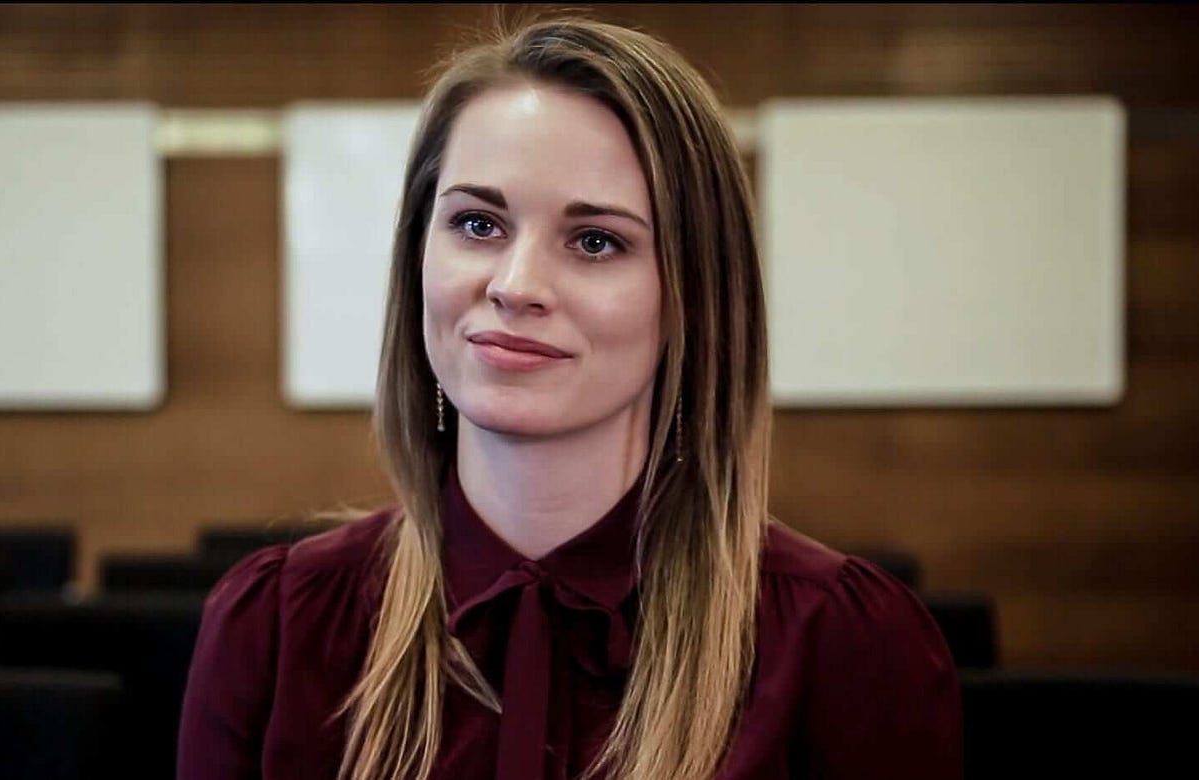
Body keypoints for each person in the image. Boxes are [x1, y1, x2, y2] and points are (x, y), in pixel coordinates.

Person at [178, 16, 962, 780]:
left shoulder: (839, 642)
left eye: (596, 241)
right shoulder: (278, 627)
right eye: (478, 224)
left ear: (694, 297)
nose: (516, 285)